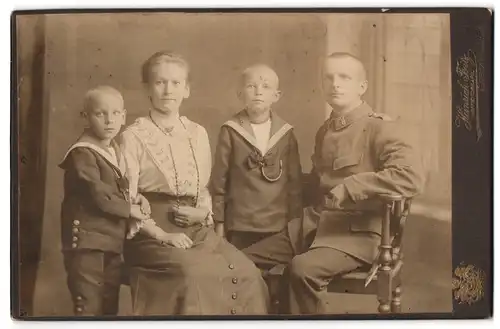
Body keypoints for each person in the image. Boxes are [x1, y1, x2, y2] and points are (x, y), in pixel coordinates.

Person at [242, 52, 425, 314]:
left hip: (358, 235)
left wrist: (352, 187)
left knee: (302, 270)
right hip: (313, 226)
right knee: (240, 262)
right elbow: (316, 184)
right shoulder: (326, 130)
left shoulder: (382, 128)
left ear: (362, 86)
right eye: (329, 77)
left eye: (344, 77)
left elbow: (411, 177)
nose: (335, 84)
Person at [120, 51, 269, 315]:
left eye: (176, 83)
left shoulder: (196, 133)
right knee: (194, 275)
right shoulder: (133, 136)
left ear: (187, 89)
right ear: (147, 88)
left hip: (197, 230)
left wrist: (202, 213)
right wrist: (162, 234)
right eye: (160, 82)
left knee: (248, 274)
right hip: (152, 235)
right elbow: (126, 200)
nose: (168, 90)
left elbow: (202, 189)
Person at [58, 86, 150, 316]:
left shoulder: (112, 150)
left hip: (110, 243)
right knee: (89, 305)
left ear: (124, 115)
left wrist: (136, 197)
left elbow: (116, 187)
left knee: (109, 307)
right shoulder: (83, 153)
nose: (110, 120)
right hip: (87, 245)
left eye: (116, 114)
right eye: (100, 114)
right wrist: (131, 209)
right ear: (86, 117)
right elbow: (98, 194)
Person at [210, 64, 302, 250]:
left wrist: (295, 225)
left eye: (266, 87)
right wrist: (219, 223)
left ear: (276, 96)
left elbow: (294, 185)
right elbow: (219, 182)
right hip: (240, 223)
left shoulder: (285, 133)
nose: (258, 92)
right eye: (251, 86)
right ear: (240, 94)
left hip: (278, 224)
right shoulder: (230, 130)